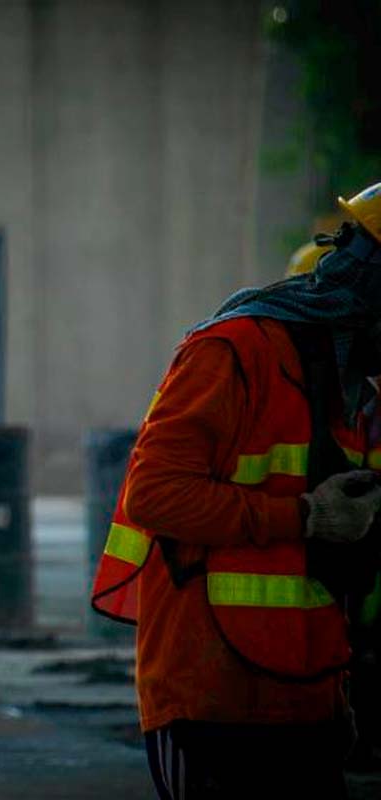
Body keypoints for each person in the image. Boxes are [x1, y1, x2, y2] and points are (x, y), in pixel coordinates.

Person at [91, 181, 381, 799]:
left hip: (308, 698)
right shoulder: (234, 352)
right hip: (210, 694)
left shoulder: (356, 393)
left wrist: (342, 690)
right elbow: (156, 497)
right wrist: (305, 516)